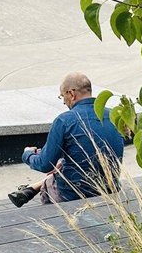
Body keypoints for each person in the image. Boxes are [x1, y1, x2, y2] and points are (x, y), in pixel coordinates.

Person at [9, 72, 126, 206]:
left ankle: (39, 199)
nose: (64, 102)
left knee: (51, 184)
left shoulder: (64, 121)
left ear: (71, 94)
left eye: (62, 96)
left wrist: (28, 154)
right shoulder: (114, 116)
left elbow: (44, 164)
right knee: (62, 165)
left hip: (74, 193)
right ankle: (30, 189)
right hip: (110, 187)